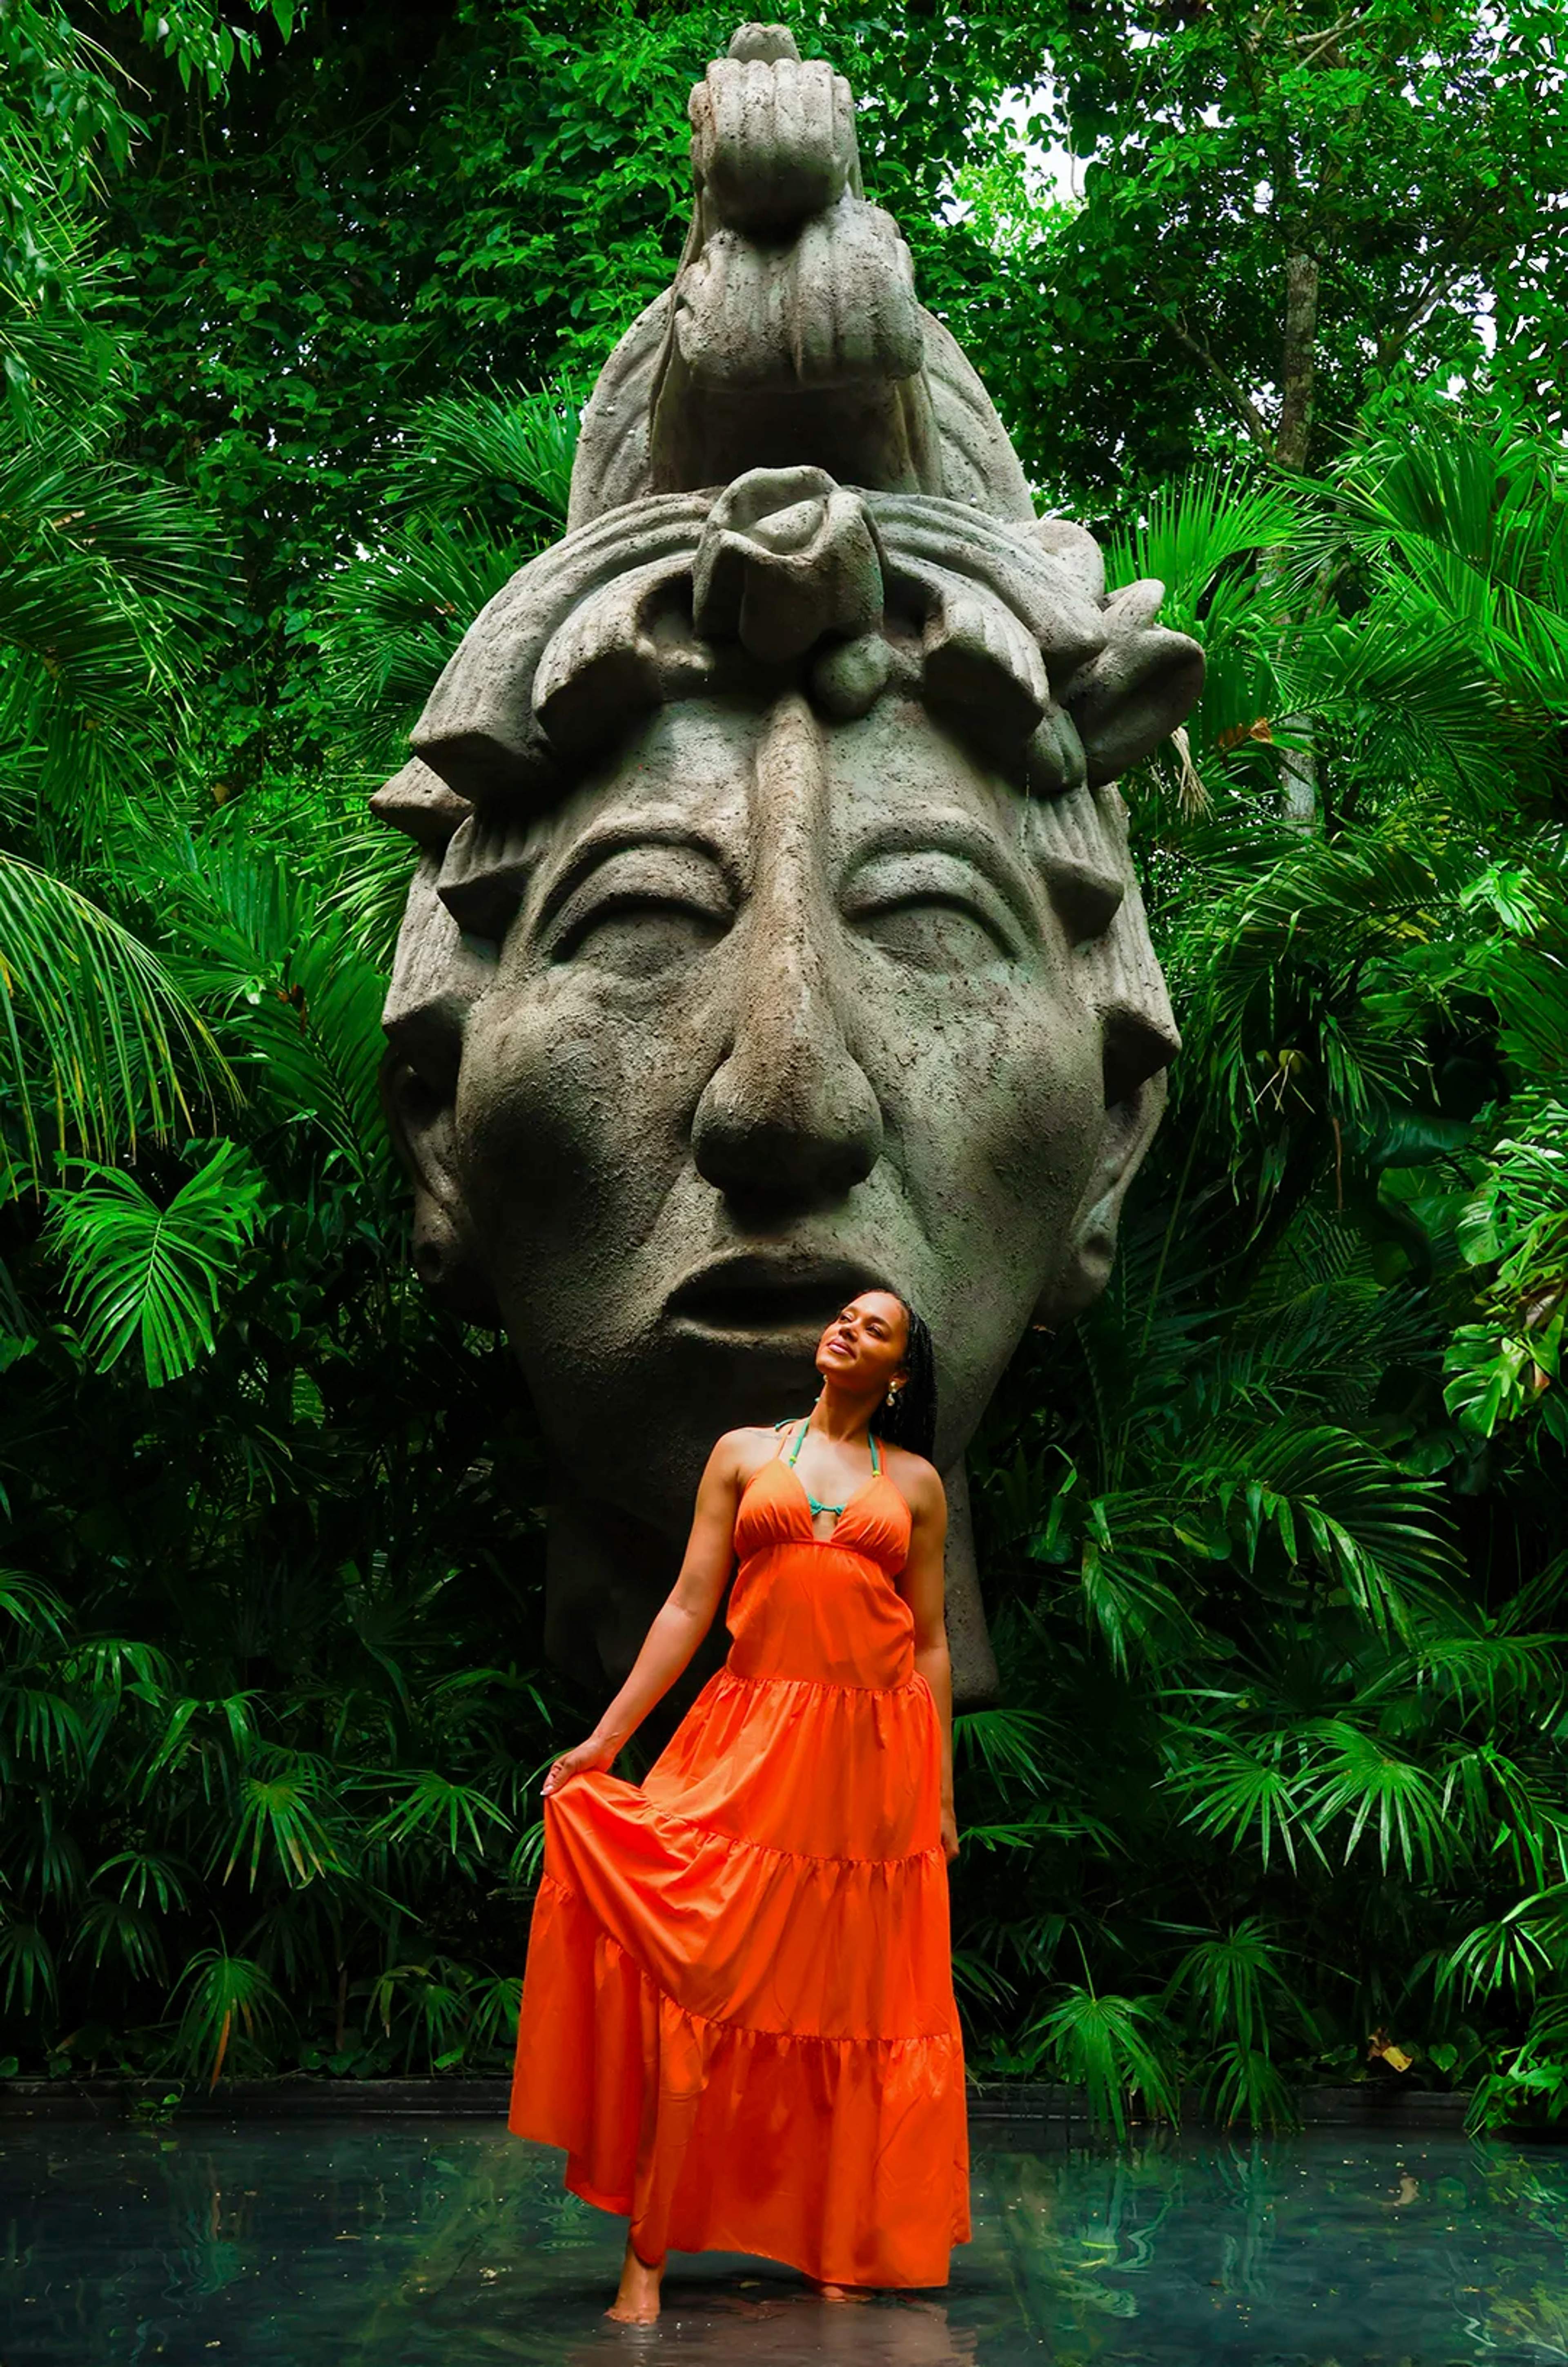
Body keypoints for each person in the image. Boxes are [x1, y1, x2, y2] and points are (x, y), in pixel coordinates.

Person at [510, 1286, 968, 2325]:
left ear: (899, 1374)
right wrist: (607, 1740)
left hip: (869, 1771)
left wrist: (940, 1790)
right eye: (845, 1316)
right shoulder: (744, 1453)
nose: (847, 1328)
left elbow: (933, 1643)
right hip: (750, 1740)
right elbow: (688, 1605)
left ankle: (836, 2238)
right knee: (700, 1979)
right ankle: (647, 2250)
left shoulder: (918, 1485)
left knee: (848, 2007)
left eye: (875, 1327)